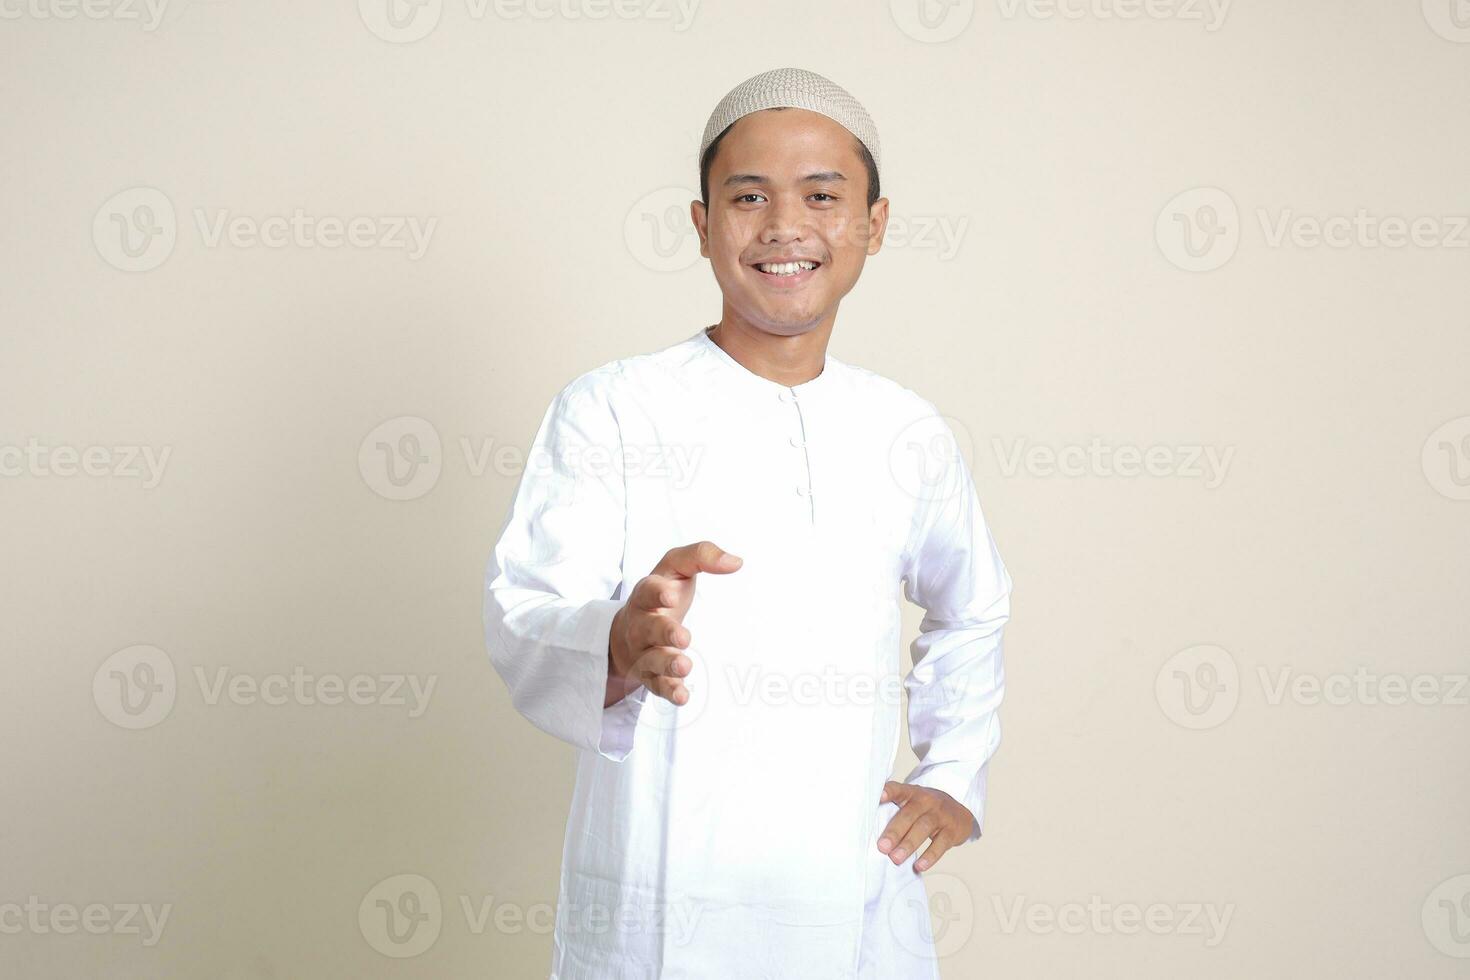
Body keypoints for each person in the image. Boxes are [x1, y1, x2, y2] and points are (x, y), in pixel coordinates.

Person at [484, 66, 1013, 979]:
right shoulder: (614, 409)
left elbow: (974, 610)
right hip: (660, 908)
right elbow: (525, 609)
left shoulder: (906, 431)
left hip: (849, 905)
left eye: (821, 195)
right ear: (702, 226)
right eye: (748, 197)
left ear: (872, 226)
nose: (784, 226)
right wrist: (617, 639)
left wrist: (952, 778)